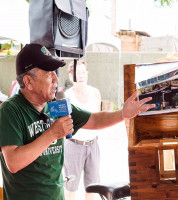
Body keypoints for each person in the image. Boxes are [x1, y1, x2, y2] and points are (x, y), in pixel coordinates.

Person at [0, 43, 155, 200]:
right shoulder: (10, 110)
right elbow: (13, 162)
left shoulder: (55, 104)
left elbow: (93, 119)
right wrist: (52, 134)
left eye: (55, 72)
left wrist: (122, 114)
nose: (55, 78)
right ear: (28, 81)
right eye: (48, 74)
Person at [63, 60, 102, 200]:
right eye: (77, 73)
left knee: (93, 187)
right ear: (70, 76)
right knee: (70, 187)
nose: (81, 76)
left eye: (83, 72)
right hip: (73, 145)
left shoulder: (95, 93)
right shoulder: (66, 96)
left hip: (93, 145)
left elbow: (99, 118)